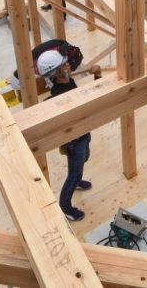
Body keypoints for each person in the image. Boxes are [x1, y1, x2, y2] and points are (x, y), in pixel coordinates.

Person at [33, 42, 101, 222]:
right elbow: (92, 99)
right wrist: (98, 77)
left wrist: (96, 75)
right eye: (64, 64)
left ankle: (78, 182)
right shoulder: (59, 95)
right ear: (55, 73)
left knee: (85, 157)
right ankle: (65, 206)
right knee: (74, 173)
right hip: (73, 139)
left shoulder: (68, 81)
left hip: (82, 132)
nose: (68, 64)